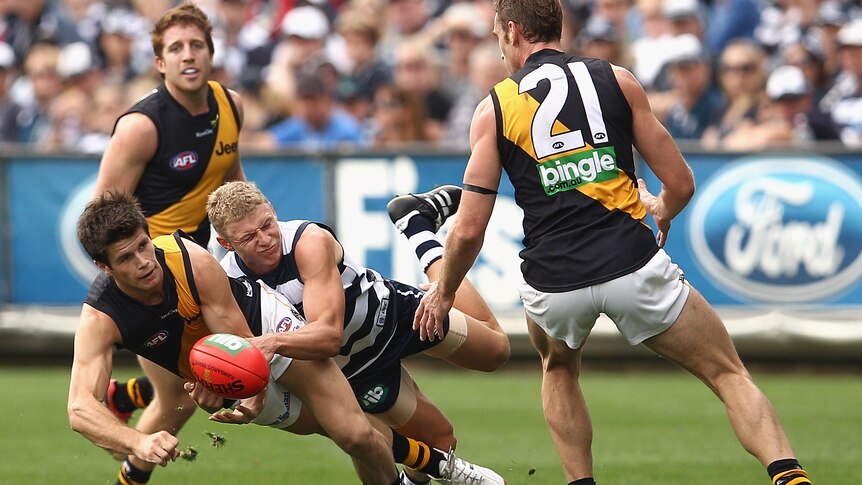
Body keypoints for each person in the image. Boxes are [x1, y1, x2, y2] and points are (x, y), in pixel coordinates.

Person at [412, 2, 813, 485]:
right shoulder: (617, 80)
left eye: (499, 36)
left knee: (558, 367)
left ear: (514, 31)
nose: (499, 49)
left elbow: (470, 228)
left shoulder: (492, 108)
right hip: (633, 265)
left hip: (554, 282)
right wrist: (662, 209)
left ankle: (581, 482)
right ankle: (790, 477)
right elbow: (681, 183)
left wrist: (444, 292)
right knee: (729, 374)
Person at [68, 190, 399, 485]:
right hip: (221, 365)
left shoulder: (190, 260)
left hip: (263, 325)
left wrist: (250, 392)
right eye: (126, 258)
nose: (143, 263)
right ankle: (422, 460)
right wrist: (138, 442)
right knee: (336, 429)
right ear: (104, 267)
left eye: (143, 245)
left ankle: (425, 466)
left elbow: (239, 338)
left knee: (354, 435)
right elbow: (80, 408)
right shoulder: (101, 316)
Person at [205, 180, 511, 485]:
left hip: (393, 317)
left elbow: (327, 336)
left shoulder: (308, 242)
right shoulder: (228, 281)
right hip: (354, 369)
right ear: (226, 243)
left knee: (496, 351)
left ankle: (417, 227)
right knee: (440, 442)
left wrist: (272, 341)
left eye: (267, 224)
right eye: (248, 236)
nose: (265, 239)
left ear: (271, 209)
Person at [90, 3, 246, 481]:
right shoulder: (141, 127)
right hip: (153, 275)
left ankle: (126, 397)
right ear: (160, 63)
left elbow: (231, 178)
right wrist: (124, 278)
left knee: (194, 382)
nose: (187, 55)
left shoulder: (231, 105)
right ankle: (130, 462)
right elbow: (101, 215)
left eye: (196, 44)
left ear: (211, 53)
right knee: (184, 396)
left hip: (198, 266)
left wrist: (247, 230)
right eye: (175, 48)